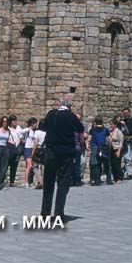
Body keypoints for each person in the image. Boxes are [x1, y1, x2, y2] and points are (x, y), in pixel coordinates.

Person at [40, 94, 84, 223]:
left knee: (48, 184)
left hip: (51, 152)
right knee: (63, 184)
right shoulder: (71, 117)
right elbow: (80, 129)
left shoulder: (51, 114)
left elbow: (44, 127)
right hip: (66, 154)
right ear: (69, 106)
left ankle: (45, 213)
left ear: (59, 104)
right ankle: (59, 213)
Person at [88, 116, 112, 185]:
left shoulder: (92, 130)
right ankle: (109, 180)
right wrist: (109, 147)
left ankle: (97, 181)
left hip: (95, 148)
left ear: (95, 122)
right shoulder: (105, 129)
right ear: (102, 122)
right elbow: (110, 140)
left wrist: (88, 147)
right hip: (103, 148)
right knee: (106, 164)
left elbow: (89, 139)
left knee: (97, 165)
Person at [21, 118, 38, 188]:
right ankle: (26, 182)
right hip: (27, 149)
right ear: (32, 124)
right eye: (35, 123)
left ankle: (30, 181)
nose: (36, 125)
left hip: (32, 149)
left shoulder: (34, 131)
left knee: (31, 166)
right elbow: (20, 132)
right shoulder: (27, 130)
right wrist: (22, 140)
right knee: (29, 165)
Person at [7, 115, 21, 187]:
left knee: (14, 166)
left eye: (15, 120)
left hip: (17, 149)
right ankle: (1, 179)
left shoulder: (18, 128)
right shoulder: (8, 128)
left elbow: (21, 136)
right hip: (9, 149)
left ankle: (12, 181)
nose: (15, 122)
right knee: (6, 165)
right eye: (13, 120)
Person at [109, 117, 125, 183]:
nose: (111, 126)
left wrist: (119, 151)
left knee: (117, 164)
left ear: (115, 125)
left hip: (117, 149)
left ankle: (120, 178)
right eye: (110, 124)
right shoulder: (110, 132)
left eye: (112, 124)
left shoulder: (119, 132)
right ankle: (115, 178)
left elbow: (121, 142)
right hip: (111, 149)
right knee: (112, 164)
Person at [32, 119, 47, 189]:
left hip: (38, 150)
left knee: (35, 166)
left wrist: (32, 153)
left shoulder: (37, 132)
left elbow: (35, 143)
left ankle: (40, 181)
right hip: (45, 150)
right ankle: (44, 182)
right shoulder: (47, 132)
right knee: (44, 167)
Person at [73, 112, 86, 187]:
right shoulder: (80, 128)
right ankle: (77, 180)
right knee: (77, 164)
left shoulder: (70, 126)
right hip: (77, 148)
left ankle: (72, 180)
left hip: (71, 148)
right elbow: (82, 140)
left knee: (71, 164)